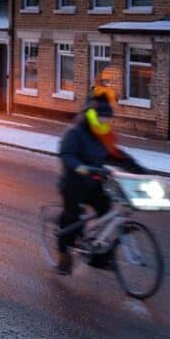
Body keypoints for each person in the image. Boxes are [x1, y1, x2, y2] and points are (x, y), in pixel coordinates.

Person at [54, 92, 145, 274]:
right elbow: (67, 155)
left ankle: (96, 254)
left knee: (107, 211)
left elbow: (118, 156)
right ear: (91, 115)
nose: (105, 121)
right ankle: (63, 257)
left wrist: (141, 171)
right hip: (74, 184)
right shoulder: (75, 133)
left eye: (107, 118)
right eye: (101, 117)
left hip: (94, 185)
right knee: (72, 220)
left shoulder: (102, 137)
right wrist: (80, 167)